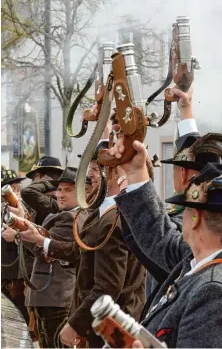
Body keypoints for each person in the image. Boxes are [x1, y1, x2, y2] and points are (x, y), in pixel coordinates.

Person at [18, 142, 146, 348]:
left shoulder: (114, 218)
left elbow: (108, 287)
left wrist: (77, 324)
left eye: (95, 169)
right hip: (102, 323)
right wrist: (41, 241)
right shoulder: (101, 211)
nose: (89, 176)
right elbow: (80, 252)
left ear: (114, 173)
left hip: (114, 326)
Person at [113, 140, 222, 347]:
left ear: (195, 217)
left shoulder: (214, 291)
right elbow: (158, 235)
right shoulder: (197, 259)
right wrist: (136, 172)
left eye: (185, 209)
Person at [2, 167, 79, 348]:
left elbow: (46, 252)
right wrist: (22, 223)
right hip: (49, 296)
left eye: (68, 190)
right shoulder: (62, 215)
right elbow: (42, 240)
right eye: (59, 189)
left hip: (56, 297)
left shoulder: (70, 217)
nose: (60, 194)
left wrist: (19, 236)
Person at [1, 168, 29, 324]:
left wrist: (16, 234)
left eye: (14, 185)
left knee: (21, 317)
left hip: (18, 275)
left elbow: (35, 235)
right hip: (4, 274)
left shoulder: (23, 207)